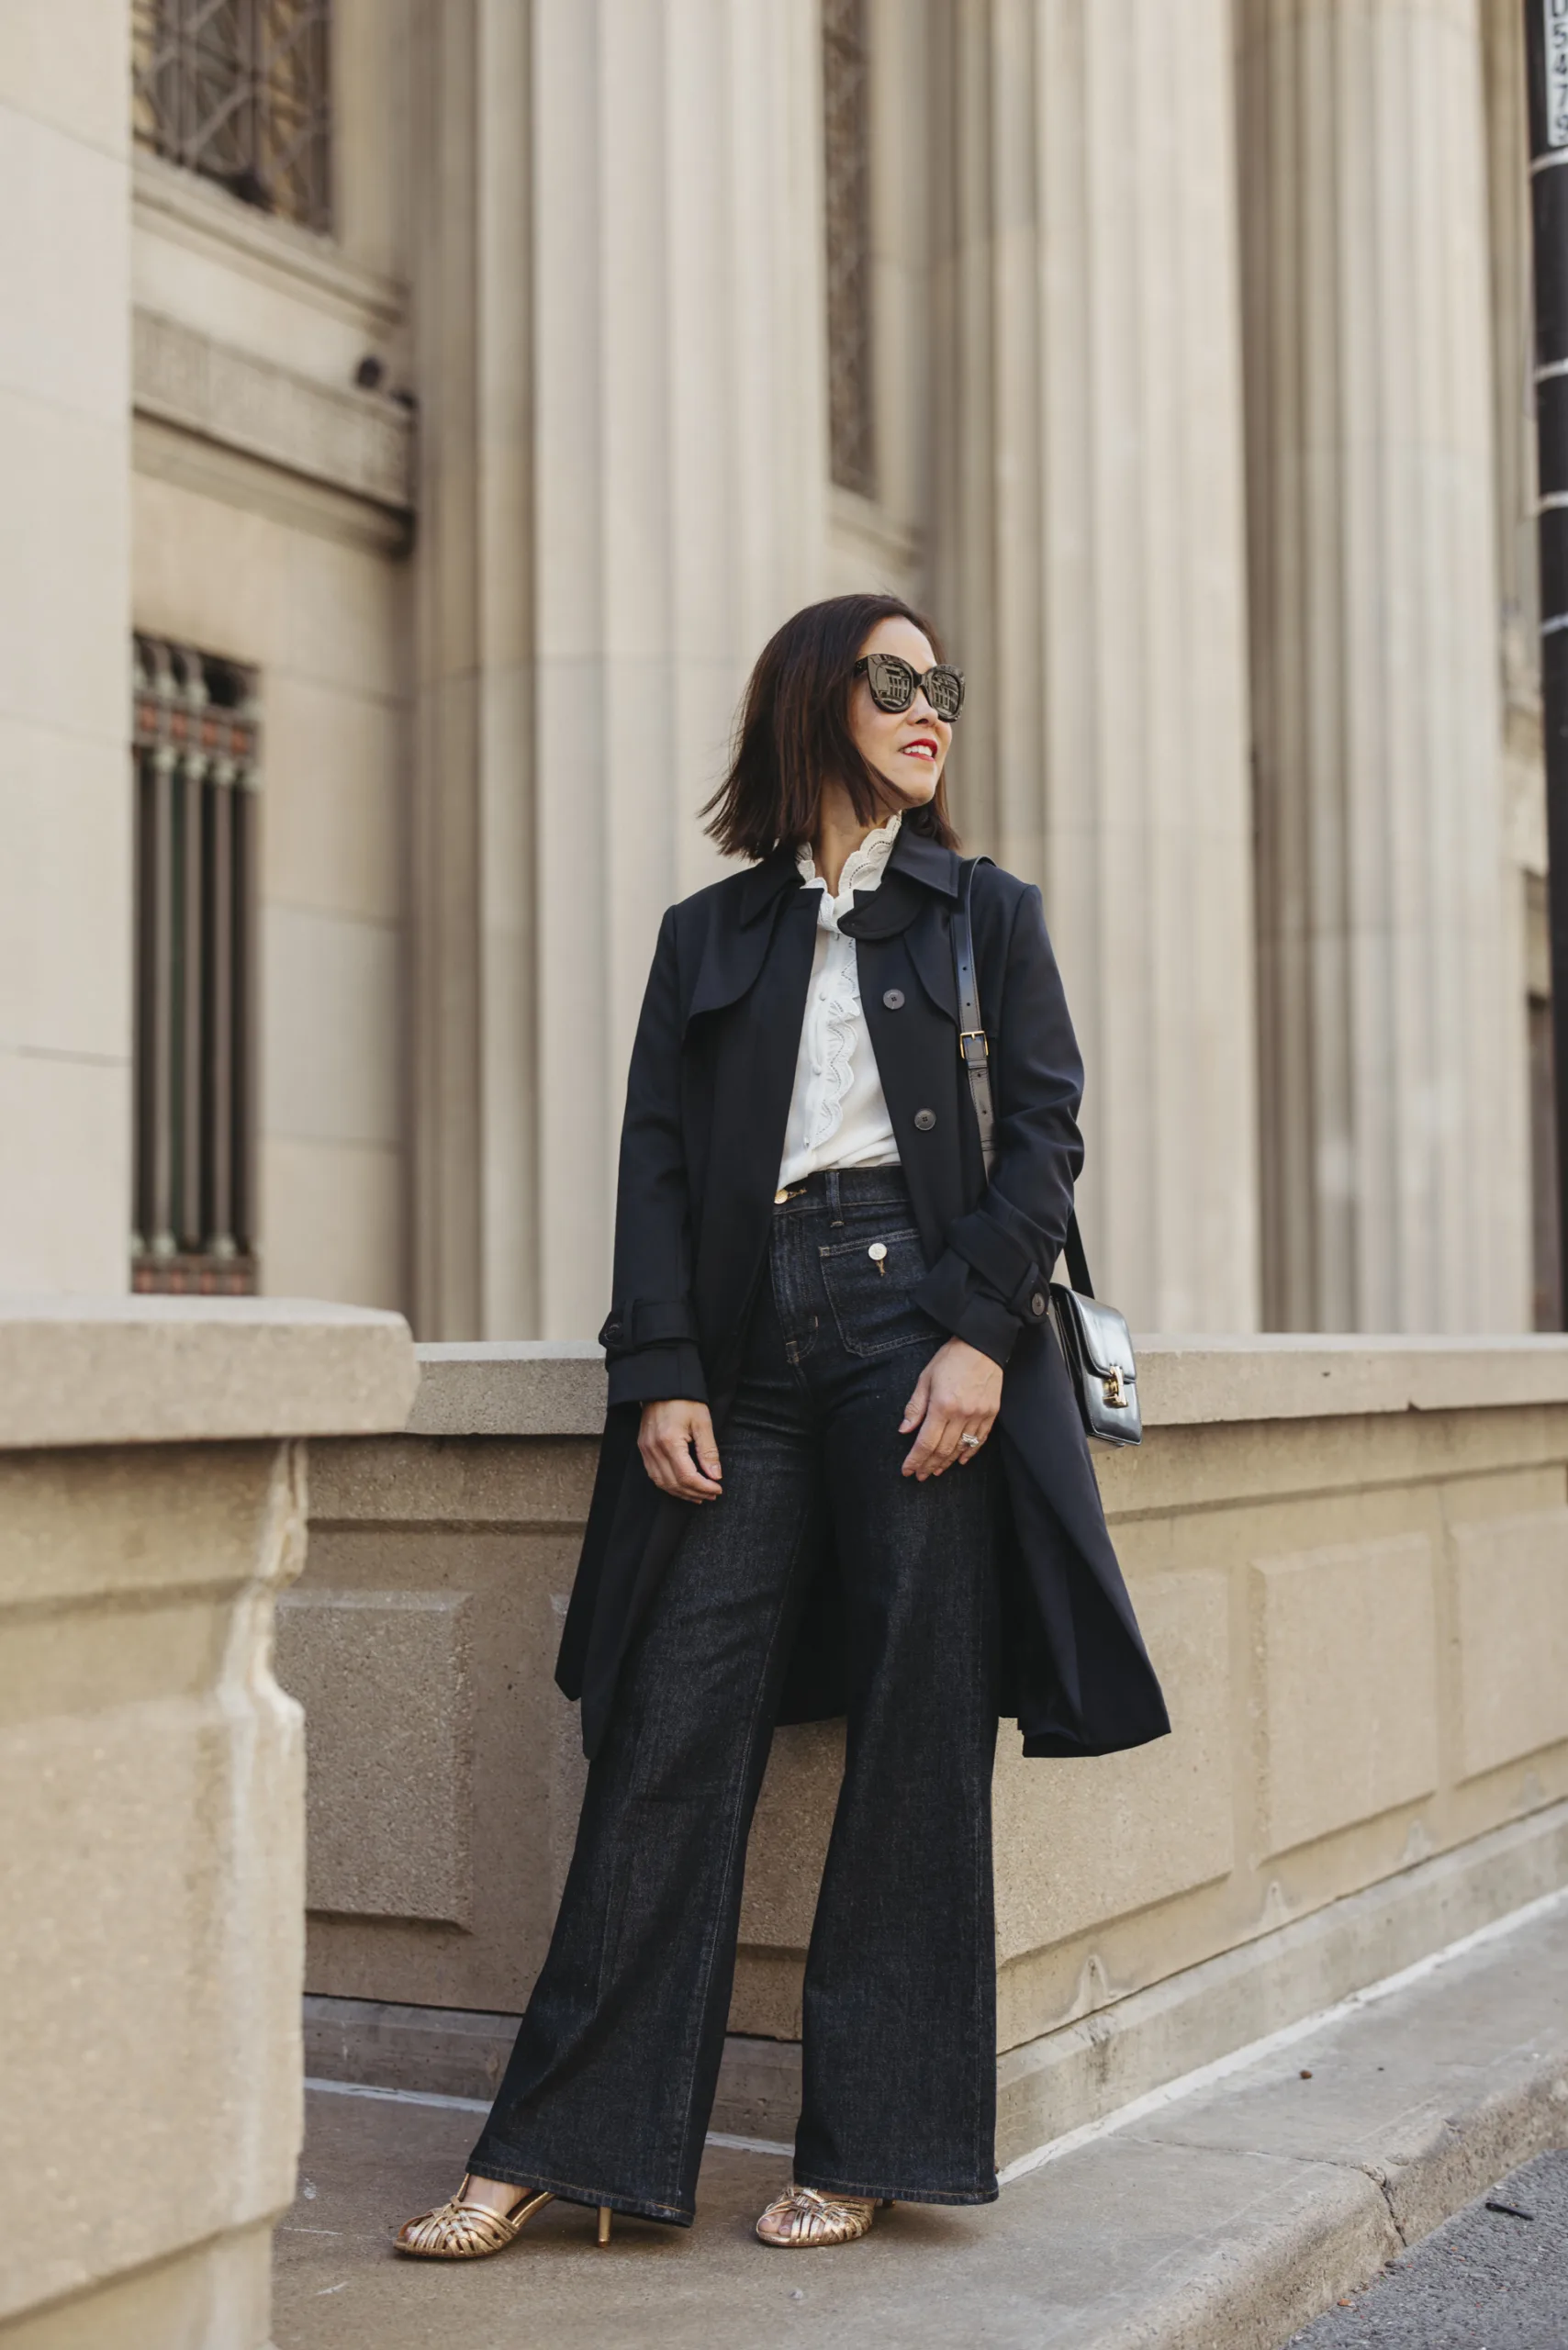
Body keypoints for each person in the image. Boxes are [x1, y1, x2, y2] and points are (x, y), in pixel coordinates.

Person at [397, 593, 1169, 2262]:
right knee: (668, 1724)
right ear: (817, 702)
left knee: (915, 1734)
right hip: (746, 1348)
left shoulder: (988, 917)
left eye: (942, 686)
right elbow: (658, 1166)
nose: (928, 707)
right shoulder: (711, 934)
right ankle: (566, 2145)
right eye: (895, 680)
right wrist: (659, 1364)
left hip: (921, 1328)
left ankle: (875, 2137)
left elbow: (1045, 1138)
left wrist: (975, 1339)